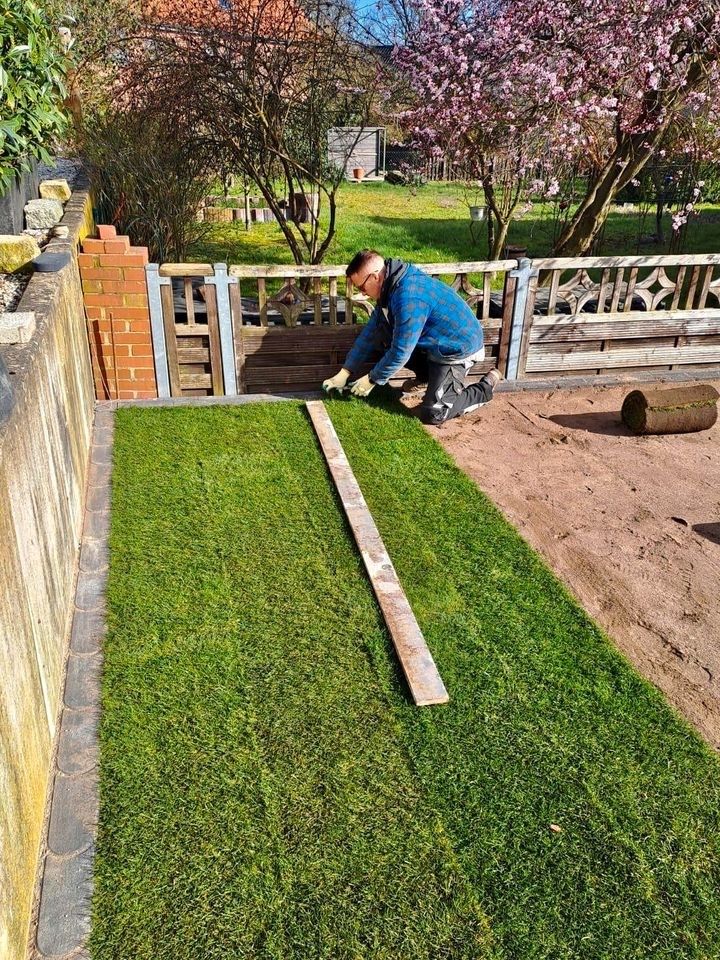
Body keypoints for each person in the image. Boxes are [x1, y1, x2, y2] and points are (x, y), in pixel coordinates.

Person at [322, 250, 502, 425]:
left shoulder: (408, 296)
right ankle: (427, 379)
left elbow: (401, 351)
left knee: (434, 414)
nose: (362, 293)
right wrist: (345, 371)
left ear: (375, 277)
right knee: (383, 337)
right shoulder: (391, 287)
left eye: (361, 287)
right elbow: (371, 333)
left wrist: (372, 379)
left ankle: (484, 389)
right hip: (433, 344)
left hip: (457, 349)